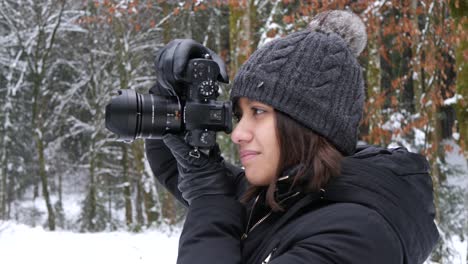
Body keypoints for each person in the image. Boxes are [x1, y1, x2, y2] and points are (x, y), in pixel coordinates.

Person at [145, 10, 439, 264]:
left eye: (258, 112)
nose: (237, 134)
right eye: (239, 115)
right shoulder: (282, 195)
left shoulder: (357, 236)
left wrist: (208, 196)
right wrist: (173, 98)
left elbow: (212, 198)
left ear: (309, 124)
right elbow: (174, 166)